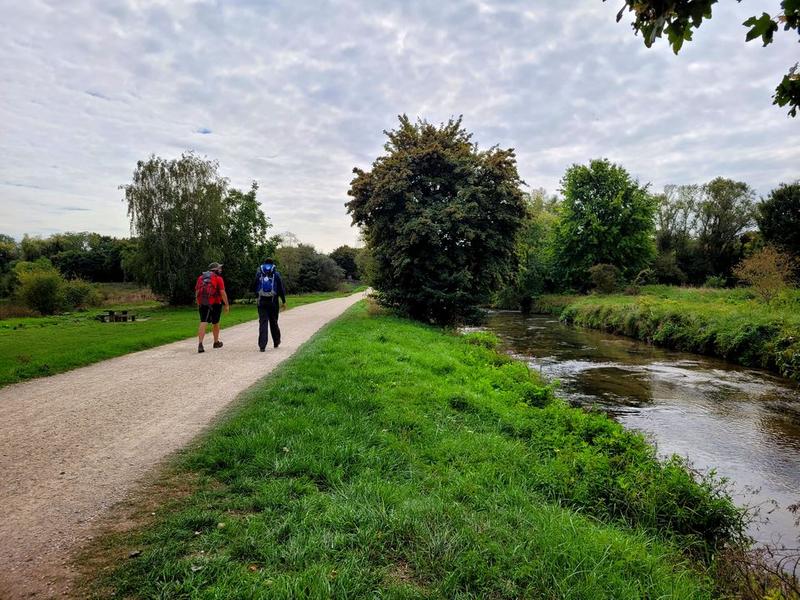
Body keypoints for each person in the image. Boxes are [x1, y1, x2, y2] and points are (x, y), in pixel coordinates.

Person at [195, 262, 229, 353]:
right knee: (216, 322)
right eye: (219, 268)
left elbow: (197, 291)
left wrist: (198, 302)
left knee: (203, 322)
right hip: (216, 303)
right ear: (215, 270)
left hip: (204, 302)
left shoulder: (200, 278)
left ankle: (200, 344)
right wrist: (226, 304)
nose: (221, 270)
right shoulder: (218, 278)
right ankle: (216, 342)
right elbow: (222, 292)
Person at [253, 258, 286, 351]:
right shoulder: (276, 274)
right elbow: (281, 289)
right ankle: (276, 342)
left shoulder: (259, 273)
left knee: (263, 322)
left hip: (261, 301)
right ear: (272, 264)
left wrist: (257, 296)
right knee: (273, 321)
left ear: (264, 264)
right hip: (273, 301)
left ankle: (262, 346)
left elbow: (253, 286)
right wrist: (283, 301)